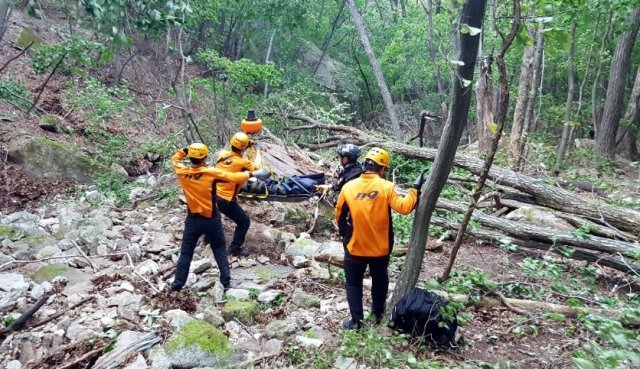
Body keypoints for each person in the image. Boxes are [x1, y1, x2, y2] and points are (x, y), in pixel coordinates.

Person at [335, 147, 428, 329]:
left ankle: (356, 322)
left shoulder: (348, 187)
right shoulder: (386, 187)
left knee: (353, 283)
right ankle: (377, 314)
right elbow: (404, 207)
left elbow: (339, 216)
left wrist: (346, 235)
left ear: (365, 165)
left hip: (355, 246)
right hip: (380, 248)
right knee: (380, 279)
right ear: (383, 169)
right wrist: (415, 188)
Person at [170, 143, 258, 292]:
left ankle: (176, 285)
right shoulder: (210, 173)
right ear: (204, 158)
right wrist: (250, 174)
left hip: (192, 220)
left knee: (186, 253)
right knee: (219, 249)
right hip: (211, 219)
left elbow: (175, 159)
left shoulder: (181, 171)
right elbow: (233, 177)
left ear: (191, 157)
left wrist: (184, 151)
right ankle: (226, 282)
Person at [215, 132, 255, 257]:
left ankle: (208, 238)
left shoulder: (222, 155)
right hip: (226, 199)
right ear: (243, 148)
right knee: (244, 222)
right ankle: (235, 249)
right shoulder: (242, 162)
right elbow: (255, 168)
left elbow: (233, 160)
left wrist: (245, 146)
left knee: (214, 217)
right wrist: (250, 149)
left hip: (215, 194)